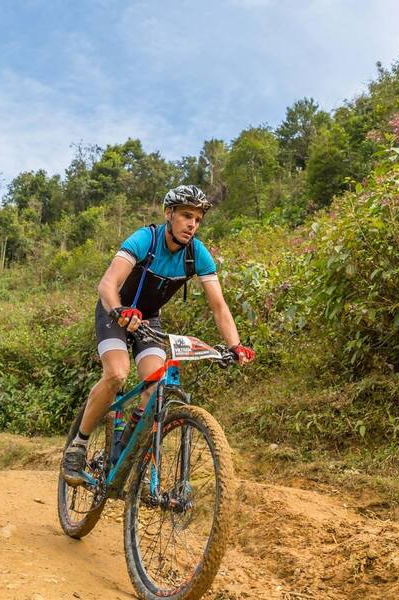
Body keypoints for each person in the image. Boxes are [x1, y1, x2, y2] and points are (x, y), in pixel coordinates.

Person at [61, 184, 255, 486]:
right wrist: (119, 311)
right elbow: (107, 285)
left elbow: (219, 306)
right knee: (117, 374)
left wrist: (235, 345)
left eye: (198, 219)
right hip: (115, 312)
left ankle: (126, 443)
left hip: (148, 320)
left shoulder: (197, 255)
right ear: (169, 214)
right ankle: (79, 445)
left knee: (155, 383)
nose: (192, 224)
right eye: (186, 216)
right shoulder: (145, 240)